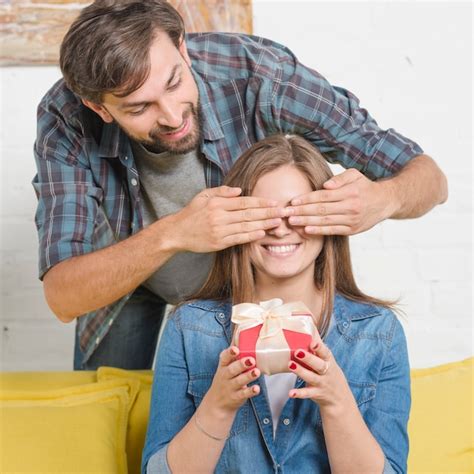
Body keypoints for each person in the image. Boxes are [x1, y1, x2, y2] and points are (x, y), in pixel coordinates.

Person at [33, 0, 447, 370]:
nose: (172, 116)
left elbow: (431, 179)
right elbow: (63, 297)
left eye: (175, 83)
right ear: (96, 106)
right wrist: (174, 233)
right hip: (130, 278)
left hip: (250, 277)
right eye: (139, 107)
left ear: (182, 49)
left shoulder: (261, 75)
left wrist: (385, 198)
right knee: (107, 411)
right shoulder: (66, 117)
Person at [142, 134, 410, 474]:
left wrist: (336, 402)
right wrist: (219, 405)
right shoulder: (190, 328)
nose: (281, 230)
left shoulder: (378, 334)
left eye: (299, 212)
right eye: (263, 214)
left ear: (330, 220)